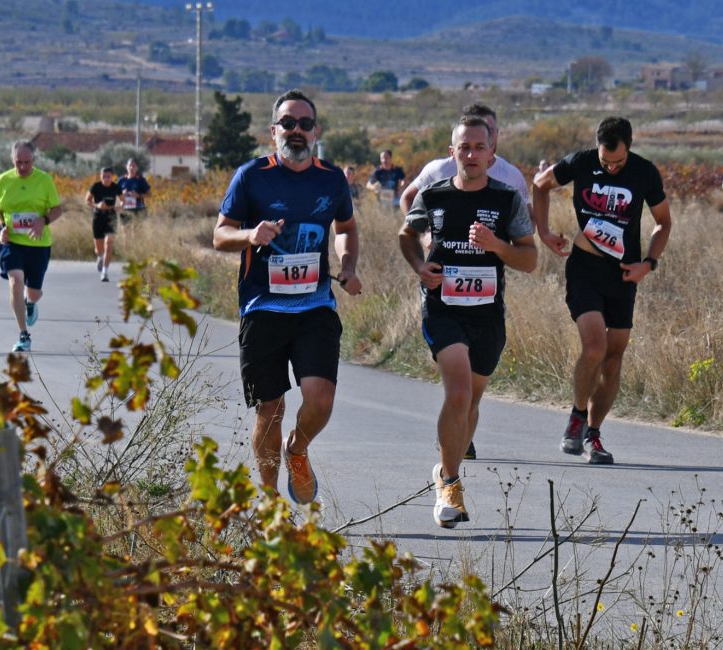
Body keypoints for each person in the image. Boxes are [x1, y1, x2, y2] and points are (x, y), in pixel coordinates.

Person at [212, 89, 362, 504]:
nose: (296, 131)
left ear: (316, 131)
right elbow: (220, 235)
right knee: (270, 409)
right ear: (273, 130)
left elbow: (346, 227)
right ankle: (271, 503)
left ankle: (297, 449)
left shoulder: (331, 179)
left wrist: (347, 265)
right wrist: (249, 234)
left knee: (321, 398)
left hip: (315, 306)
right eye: (288, 123)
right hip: (263, 308)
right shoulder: (251, 176)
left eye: (305, 124)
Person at [398, 116, 537, 528]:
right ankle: (450, 483)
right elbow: (407, 234)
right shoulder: (434, 194)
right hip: (443, 308)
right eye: (465, 148)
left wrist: (496, 245)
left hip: (487, 314)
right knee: (457, 394)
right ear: (452, 152)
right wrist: (420, 266)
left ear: (492, 154)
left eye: (480, 147)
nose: (472, 155)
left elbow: (529, 259)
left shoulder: (506, 198)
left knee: (471, 402)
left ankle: (446, 469)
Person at [531, 116, 672, 465]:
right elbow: (539, 185)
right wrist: (545, 232)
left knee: (614, 356)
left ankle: (593, 434)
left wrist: (648, 263)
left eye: (618, 163)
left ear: (629, 149)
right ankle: (576, 417)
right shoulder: (581, 162)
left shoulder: (644, 172)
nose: (610, 168)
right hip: (585, 267)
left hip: (623, 274)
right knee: (595, 346)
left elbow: (663, 222)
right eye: (605, 161)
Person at [0, 140, 64, 353]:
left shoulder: (44, 180)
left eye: (27, 163)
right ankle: (23, 335)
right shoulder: (3, 180)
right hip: (11, 241)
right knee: (15, 281)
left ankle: (30, 304)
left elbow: (58, 209)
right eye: (18, 163)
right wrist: (1, 226)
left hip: (38, 244)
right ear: (12, 160)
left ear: (34, 160)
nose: (22, 167)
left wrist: (44, 220)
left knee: (34, 292)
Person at [401, 104, 529, 215]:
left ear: (497, 132)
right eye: (477, 131)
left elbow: (528, 217)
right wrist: (425, 234)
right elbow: (407, 198)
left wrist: (508, 241)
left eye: (490, 130)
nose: (485, 137)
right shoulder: (438, 170)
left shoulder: (512, 176)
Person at [88, 166, 123, 282]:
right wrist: (97, 205)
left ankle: (105, 271)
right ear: (100, 176)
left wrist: (120, 206)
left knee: (109, 242)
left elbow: (123, 200)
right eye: (104, 176)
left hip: (111, 217)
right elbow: (87, 200)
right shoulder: (96, 186)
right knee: (98, 249)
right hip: (98, 217)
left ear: (112, 177)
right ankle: (99, 257)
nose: (106, 178)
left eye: (108, 176)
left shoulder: (116, 187)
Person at [117, 157, 150, 223]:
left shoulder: (141, 180)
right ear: (126, 167)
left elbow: (149, 194)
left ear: (137, 168)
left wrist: (138, 195)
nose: (131, 168)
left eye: (133, 166)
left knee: (137, 231)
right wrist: (122, 194)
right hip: (125, 208)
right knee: (126, 231)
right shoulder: (121, 180)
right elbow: (114, 194)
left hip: (138, 209)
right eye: (130, 165)